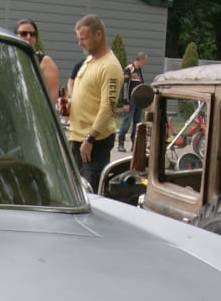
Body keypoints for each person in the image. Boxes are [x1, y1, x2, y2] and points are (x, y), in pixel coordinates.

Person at [67, 14, 123, 192]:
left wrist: (90, 138)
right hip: (76, 137)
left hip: (93, 143)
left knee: (89, 193)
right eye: (78, 39)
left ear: (98, 35)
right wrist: (69, 103)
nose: (80, 43)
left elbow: (108, 107)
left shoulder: (110, 66)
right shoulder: (89, 60)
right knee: (75, 190)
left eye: (83, 39)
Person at [15, 20, 59, 103]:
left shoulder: (45, 62)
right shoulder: (8, 60)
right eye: (24, 34)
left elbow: (52, 99)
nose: (28, 37)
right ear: (15, 35)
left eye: (32, 34)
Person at [119, 51, 148, 148]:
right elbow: (125, 86)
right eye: (144, 61)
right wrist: (125, 102)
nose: (145, 63)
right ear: (140, 60)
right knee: (126, 122)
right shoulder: (129, 69)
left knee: (137, 124)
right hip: (130, 101)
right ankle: (121, 142)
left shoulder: (139, 70)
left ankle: (134, 143)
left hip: (138, 101)